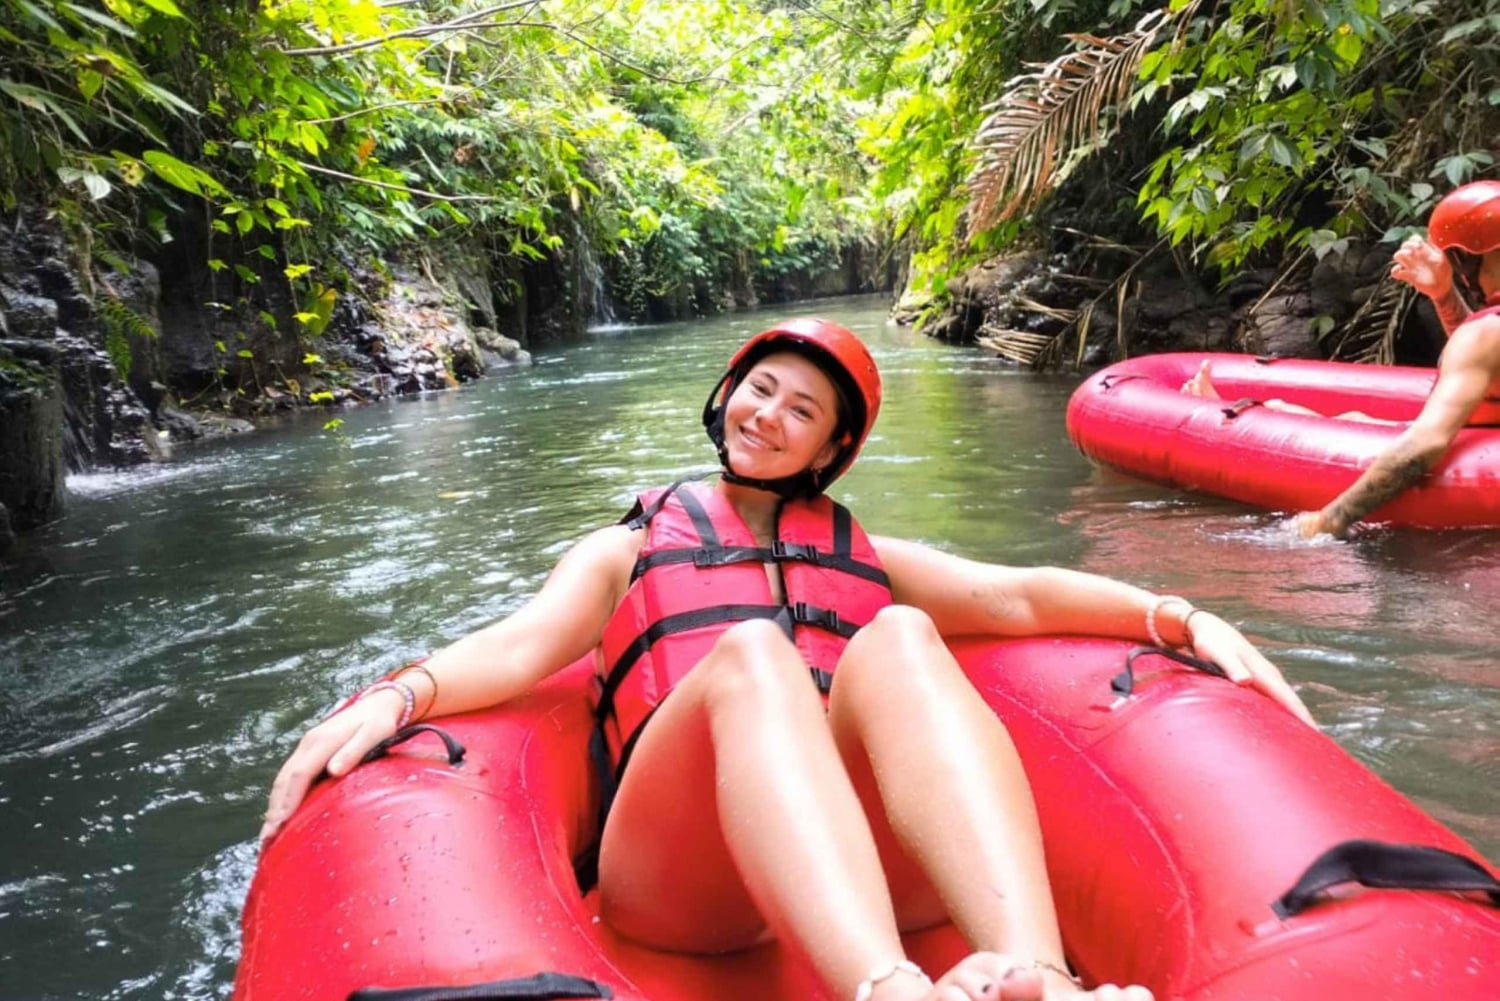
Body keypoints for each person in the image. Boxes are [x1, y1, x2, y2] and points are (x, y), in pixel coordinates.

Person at [260, 319, 1314, 1001]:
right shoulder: (629, 549)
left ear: (829, 450)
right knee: (753, 655)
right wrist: (406, 690)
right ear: (725, 394)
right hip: (684, 883)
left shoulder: (862, 551)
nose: (768, 415)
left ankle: (1039, 979)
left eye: (801, 409)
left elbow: (1016, 593)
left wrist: (1174, 615)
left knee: (902, 632)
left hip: (856, 858)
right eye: (760, 390)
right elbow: (528, 645)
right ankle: (884, 988)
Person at [1182, 179, 1500, 538]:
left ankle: (1225, 413)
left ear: (1466, 257)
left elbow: (1423, 448)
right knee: (1354, 418)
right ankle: (1242, 407)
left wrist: (1331, 520)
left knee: (1303, 414)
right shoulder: (1485, 335)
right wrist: (1443, 296)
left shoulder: (1484, 336)